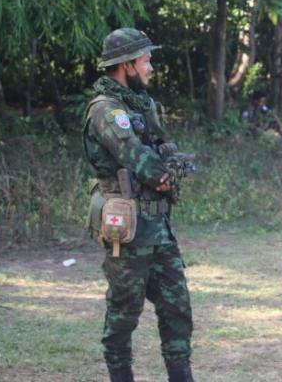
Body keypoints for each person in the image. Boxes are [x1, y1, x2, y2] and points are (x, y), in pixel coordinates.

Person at [83, 28, 194, 382]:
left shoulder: (141, 105)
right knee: (124, 313)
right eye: (146, 60)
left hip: (158, 227)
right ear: (127, 65)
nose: (150, 66)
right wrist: (161, 173)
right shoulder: (106, 110)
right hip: (128, 229)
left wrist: (169, 165)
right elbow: (137, 158)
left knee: (177, 308)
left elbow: (162, 150)